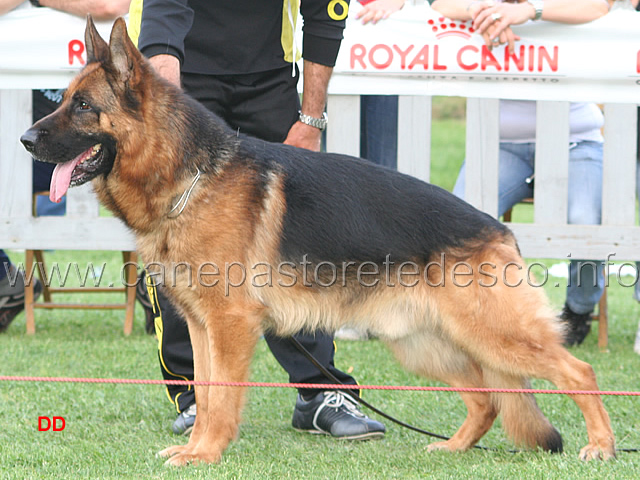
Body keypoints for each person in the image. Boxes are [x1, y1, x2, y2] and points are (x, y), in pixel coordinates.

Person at [129, 0, 385, 440]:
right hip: (179, 73)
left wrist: (311, 119)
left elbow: (325, 12)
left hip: (268, 72)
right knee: (179, 238)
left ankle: (320, 392)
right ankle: (195, 396)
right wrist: (168, 115)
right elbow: (163, 15)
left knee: (298, 238)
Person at [430, 0, 610, 346]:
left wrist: (531, 10)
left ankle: (578, 308)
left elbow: (598, 6)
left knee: (585, 219)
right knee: (460, 215)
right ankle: (477, 308)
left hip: (577, 141)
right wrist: (484, 12)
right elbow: (438, 5)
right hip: (503, 145)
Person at [0, 0, 131, 331]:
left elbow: (110, 6)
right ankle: (5, 280)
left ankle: (158, 282)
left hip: (116, 147)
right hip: (26, 151)